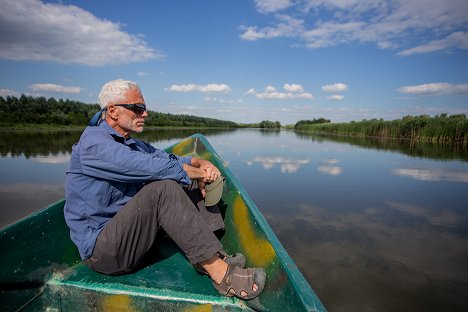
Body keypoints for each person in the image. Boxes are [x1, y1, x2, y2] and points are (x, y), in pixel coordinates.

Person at [64, 79, 265, 300]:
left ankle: (210, 252)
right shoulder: (93, 145)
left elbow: (167, 158)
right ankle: (222, 276)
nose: (145, 114)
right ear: (113, 110)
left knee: (184, 178)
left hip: (133, 236)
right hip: (104, 251)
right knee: (164, 187)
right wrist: (194, 172)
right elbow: (150, 167)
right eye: (138, 108)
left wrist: (198, 163)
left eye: (145, 108)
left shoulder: (131, 143)